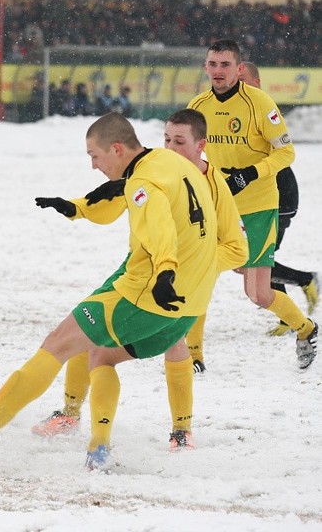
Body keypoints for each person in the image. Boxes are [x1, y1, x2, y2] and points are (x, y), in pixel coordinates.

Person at [0, 113, 230, 471]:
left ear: (116, 149)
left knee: (58, 343)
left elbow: (157, 221)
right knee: (101, 357)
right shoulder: (171, 164)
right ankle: (98, 448)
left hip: (149, 294)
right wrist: (77, 208)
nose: (93, 165)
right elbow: (117, 197)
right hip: (188, 306)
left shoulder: (144, 182)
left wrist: (165, 273)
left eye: (94, 156)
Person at [30, 109, 248, 442]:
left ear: (200, 145)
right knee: (91, 330)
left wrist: (194, 264)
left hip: (179, 281)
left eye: (180, 141)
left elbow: (237, 249)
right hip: (146, 270)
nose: (171, 147)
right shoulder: (158, 169)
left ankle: (180, 430)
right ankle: (72, 415)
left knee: (164, 345)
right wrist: (75, 207)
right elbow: (115, 198)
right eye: (166, 139)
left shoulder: (213, 184)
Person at [188, 39, 317, 369]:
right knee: (200, 273)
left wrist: (250, 173)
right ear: (206, 67)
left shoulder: (260, 103)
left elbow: (286, 152)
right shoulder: (198, 105)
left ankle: (306, 328)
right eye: (213, 64)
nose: (218, 71)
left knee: (259, 295)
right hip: (219, 203)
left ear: (239, 69)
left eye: (225, 65)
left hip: (259, 204)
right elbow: (188, 155)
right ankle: (194, 355)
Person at [239, 61, 318, 335]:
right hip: (254, 196)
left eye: (243, 80)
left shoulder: (262, 108)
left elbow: (283, 152)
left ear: (257, 84)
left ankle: (307, 280)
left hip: (278, 195)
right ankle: (289, 312)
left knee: (253, 262)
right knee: (251, 262)